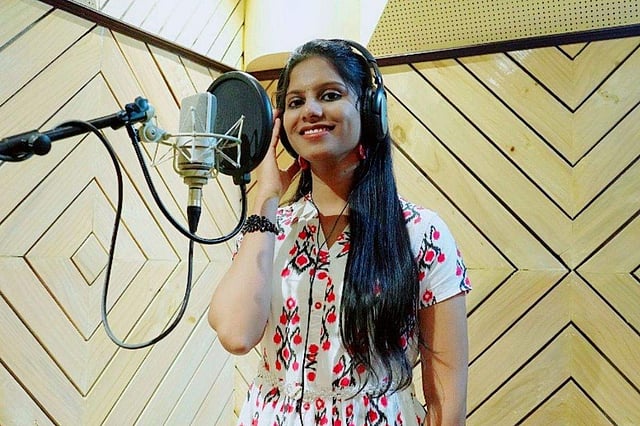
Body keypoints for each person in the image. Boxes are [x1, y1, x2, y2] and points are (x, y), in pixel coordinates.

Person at [208, 38, 472, 425]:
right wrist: (265, 199)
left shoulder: (421, 232)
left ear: (370, 110)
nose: (310, 111)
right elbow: (236, 334)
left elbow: (446, 403)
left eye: (329, 95)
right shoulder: (270, 229)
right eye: (295, 102)